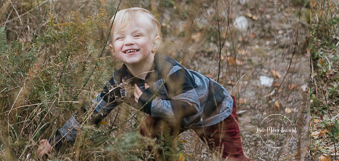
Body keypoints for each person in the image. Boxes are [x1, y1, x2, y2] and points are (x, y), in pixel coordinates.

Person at [36, 8, 249, 160]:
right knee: (146, 138)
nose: (128, 41)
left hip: (212, 111)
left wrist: (150, 104)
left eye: (137, 35)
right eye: (120, 38)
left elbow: (190, 106)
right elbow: (91, 114)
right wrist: (55, 142)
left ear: (155, 43)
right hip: (167, 114)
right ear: (112, 49)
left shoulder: (170, 70)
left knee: (232, 158)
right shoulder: (120, 83)